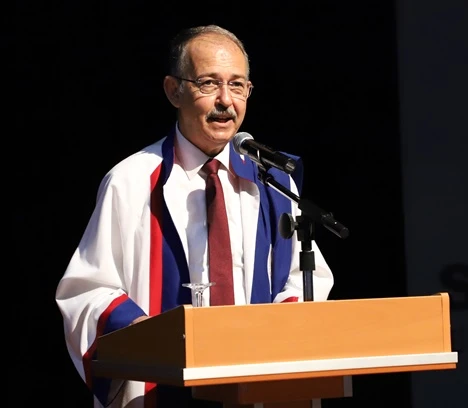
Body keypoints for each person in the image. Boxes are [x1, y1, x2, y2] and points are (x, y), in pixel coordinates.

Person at [55, 24, 334, 408]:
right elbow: (86, 290)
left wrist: (279, 330)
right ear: (174, 91)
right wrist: (144, 333)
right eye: (208, 84)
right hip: (164, 389)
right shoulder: (131, 182)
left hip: (259, 385)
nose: (226, 101)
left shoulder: (272, 182)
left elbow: (306, 278)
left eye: (237, 85)